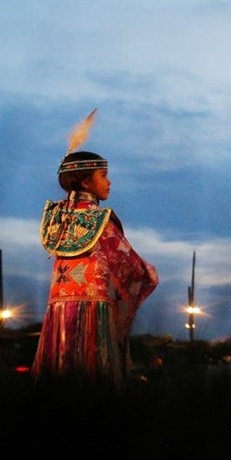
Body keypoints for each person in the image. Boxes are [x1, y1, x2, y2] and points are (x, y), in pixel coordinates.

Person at [32, 148, 159, 390]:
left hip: (58, 306)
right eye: (103, 175)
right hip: (94, 310)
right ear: (85, 181)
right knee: (94, 375)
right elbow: (131, 267)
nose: (109, 182)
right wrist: (148, 273)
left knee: (57, 374)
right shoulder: (101, 221)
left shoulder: (57, 220)